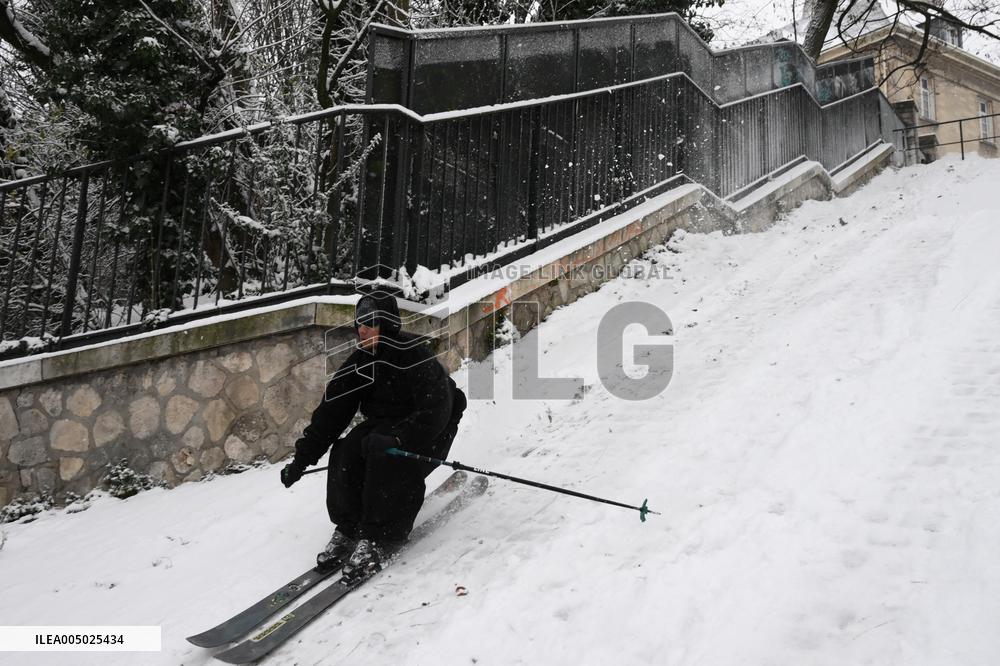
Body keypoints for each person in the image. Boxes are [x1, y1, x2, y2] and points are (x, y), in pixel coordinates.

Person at [280, 291, 466, 581]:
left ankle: (380, 535)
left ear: (387, 324)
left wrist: (400, 439)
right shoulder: (361, 362)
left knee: (384, 455)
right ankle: (350, 526)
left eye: (370, 322)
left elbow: (438, 409)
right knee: (348, 449)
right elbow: (331, 413)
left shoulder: (414, 355)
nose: (361, 329)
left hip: (430, 432)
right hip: (387, 426)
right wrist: (301, 461)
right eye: (359, 323)